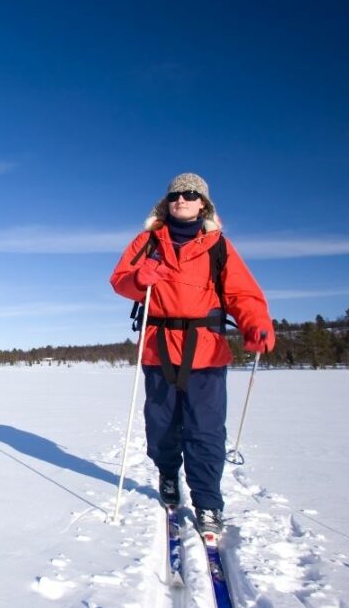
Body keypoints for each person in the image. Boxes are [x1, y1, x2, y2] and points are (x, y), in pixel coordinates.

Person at [109, 173, 275, 537]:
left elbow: (243, 295)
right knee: (161, 427)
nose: (181, 199)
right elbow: (120, 279)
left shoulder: (220, 247)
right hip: (158, 350)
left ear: (203, 204)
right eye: (175, 194)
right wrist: (140, 278)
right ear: (166, 203)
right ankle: (168, 474)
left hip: (207, 352)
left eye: (190, 194)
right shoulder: (148, 241)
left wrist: (256, 324)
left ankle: (208, 504)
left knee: (206, 432)